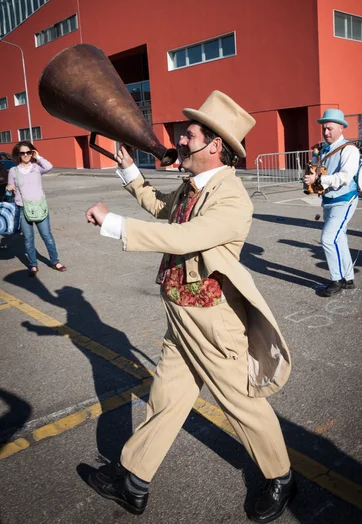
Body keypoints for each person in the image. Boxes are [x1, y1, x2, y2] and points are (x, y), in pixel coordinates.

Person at [85, 90, 295, 523]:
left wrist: (113, 224)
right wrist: (129, 172)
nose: (179, 140)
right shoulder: (193, 186)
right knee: (166, 397)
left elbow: (185, 238)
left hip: (213, 323)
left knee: (241, 404)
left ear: (215, 145)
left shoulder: (233, 198)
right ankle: (133, 482)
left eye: (189, 135)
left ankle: (281, 477)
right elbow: (166, 211)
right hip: (180, 316)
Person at [304, 108, 360, 297]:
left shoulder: (349, 149)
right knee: (339, 238)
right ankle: (349, 277)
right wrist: (312, 176)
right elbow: (321, 172)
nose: (326, 132)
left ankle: (337, 280)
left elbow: (344, 177)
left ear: (341, 128)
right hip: (329, 200)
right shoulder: (323, 149)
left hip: (344, 199)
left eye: (330, 128)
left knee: (328, 239)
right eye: (324, 128)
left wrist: (319, 181)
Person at [6, 141, 66, 276]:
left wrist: (38, 157)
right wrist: (8, 189)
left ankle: (55, 261)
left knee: (47, 236)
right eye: (23, 153)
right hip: (23, 208)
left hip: (40, 207)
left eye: (28, 152)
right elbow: (9, 189)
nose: (26, 155)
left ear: (32, 153)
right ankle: (33, 264)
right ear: (18, 155)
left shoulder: (37, 167)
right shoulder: (13, 171)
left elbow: (49, 166)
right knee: (28, 238)